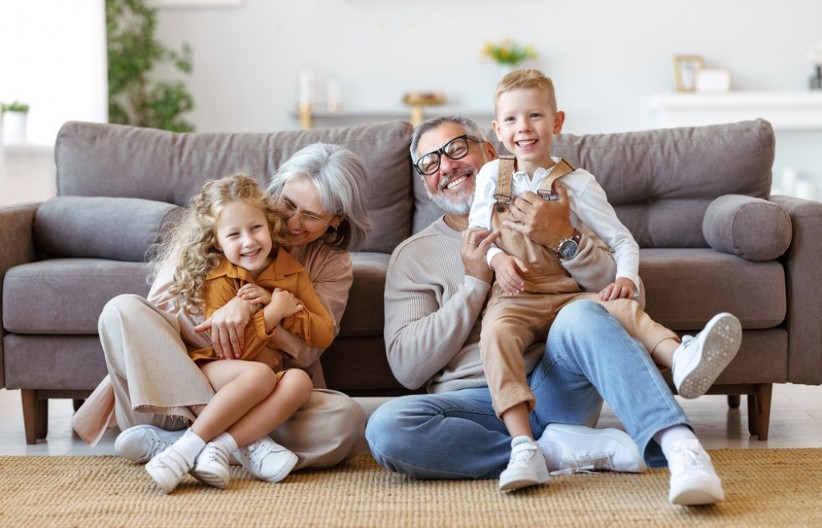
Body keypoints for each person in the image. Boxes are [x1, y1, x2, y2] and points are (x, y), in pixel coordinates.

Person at [365, 115, 727, 505]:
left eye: (455, 149)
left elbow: (625, 301)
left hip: (554, 386)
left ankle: (680, 449)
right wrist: (475, 283)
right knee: (387, 428)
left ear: (491, 151)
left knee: (583, 314)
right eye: (431, 163)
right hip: (473, 407)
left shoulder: (551, 208)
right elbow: (407, 367)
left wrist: (563, 239)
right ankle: (553, 451)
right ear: (425, 182)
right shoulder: (413, 255)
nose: (447, 167)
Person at [469, 69, 741, 490]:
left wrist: (627, 278)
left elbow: (622, 241)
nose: (523, 127)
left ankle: (681, 356)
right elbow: (477, 236)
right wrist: (497, 257)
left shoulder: (578, 183)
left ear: (557, 122)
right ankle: (524, 447)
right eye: (511, 120)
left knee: (618, 308)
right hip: (516, 296)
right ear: (497, 130)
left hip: (566, 296)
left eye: (535, 115)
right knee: (496, 334)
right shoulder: (491, 177)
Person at [72, 143, 373, 480]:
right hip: (172, 392)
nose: (291, 221)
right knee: (121, 310)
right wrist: (232, 309)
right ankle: (245, 445)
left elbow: (308, 351)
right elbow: (162, 315)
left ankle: (181, 445)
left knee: (346, 422)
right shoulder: (232, 216)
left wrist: (262, 312)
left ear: (336, 221)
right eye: (288, 204)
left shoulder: (331, 264)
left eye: (311, 215)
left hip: (261, 396)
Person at [142, 173, 335, 493]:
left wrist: (288, 308)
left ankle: (220, 447)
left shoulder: (291, 271)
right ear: (218, 241)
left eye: (256, 228)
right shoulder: (220, 274)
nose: (249, 241)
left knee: (300, 381)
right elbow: (230, 352)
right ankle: (185, 450)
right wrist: (272, 314)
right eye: (234, 234)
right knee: (258, 374)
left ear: (271, 225)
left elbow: (324, 333)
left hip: (255, 376)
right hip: (212, 368)